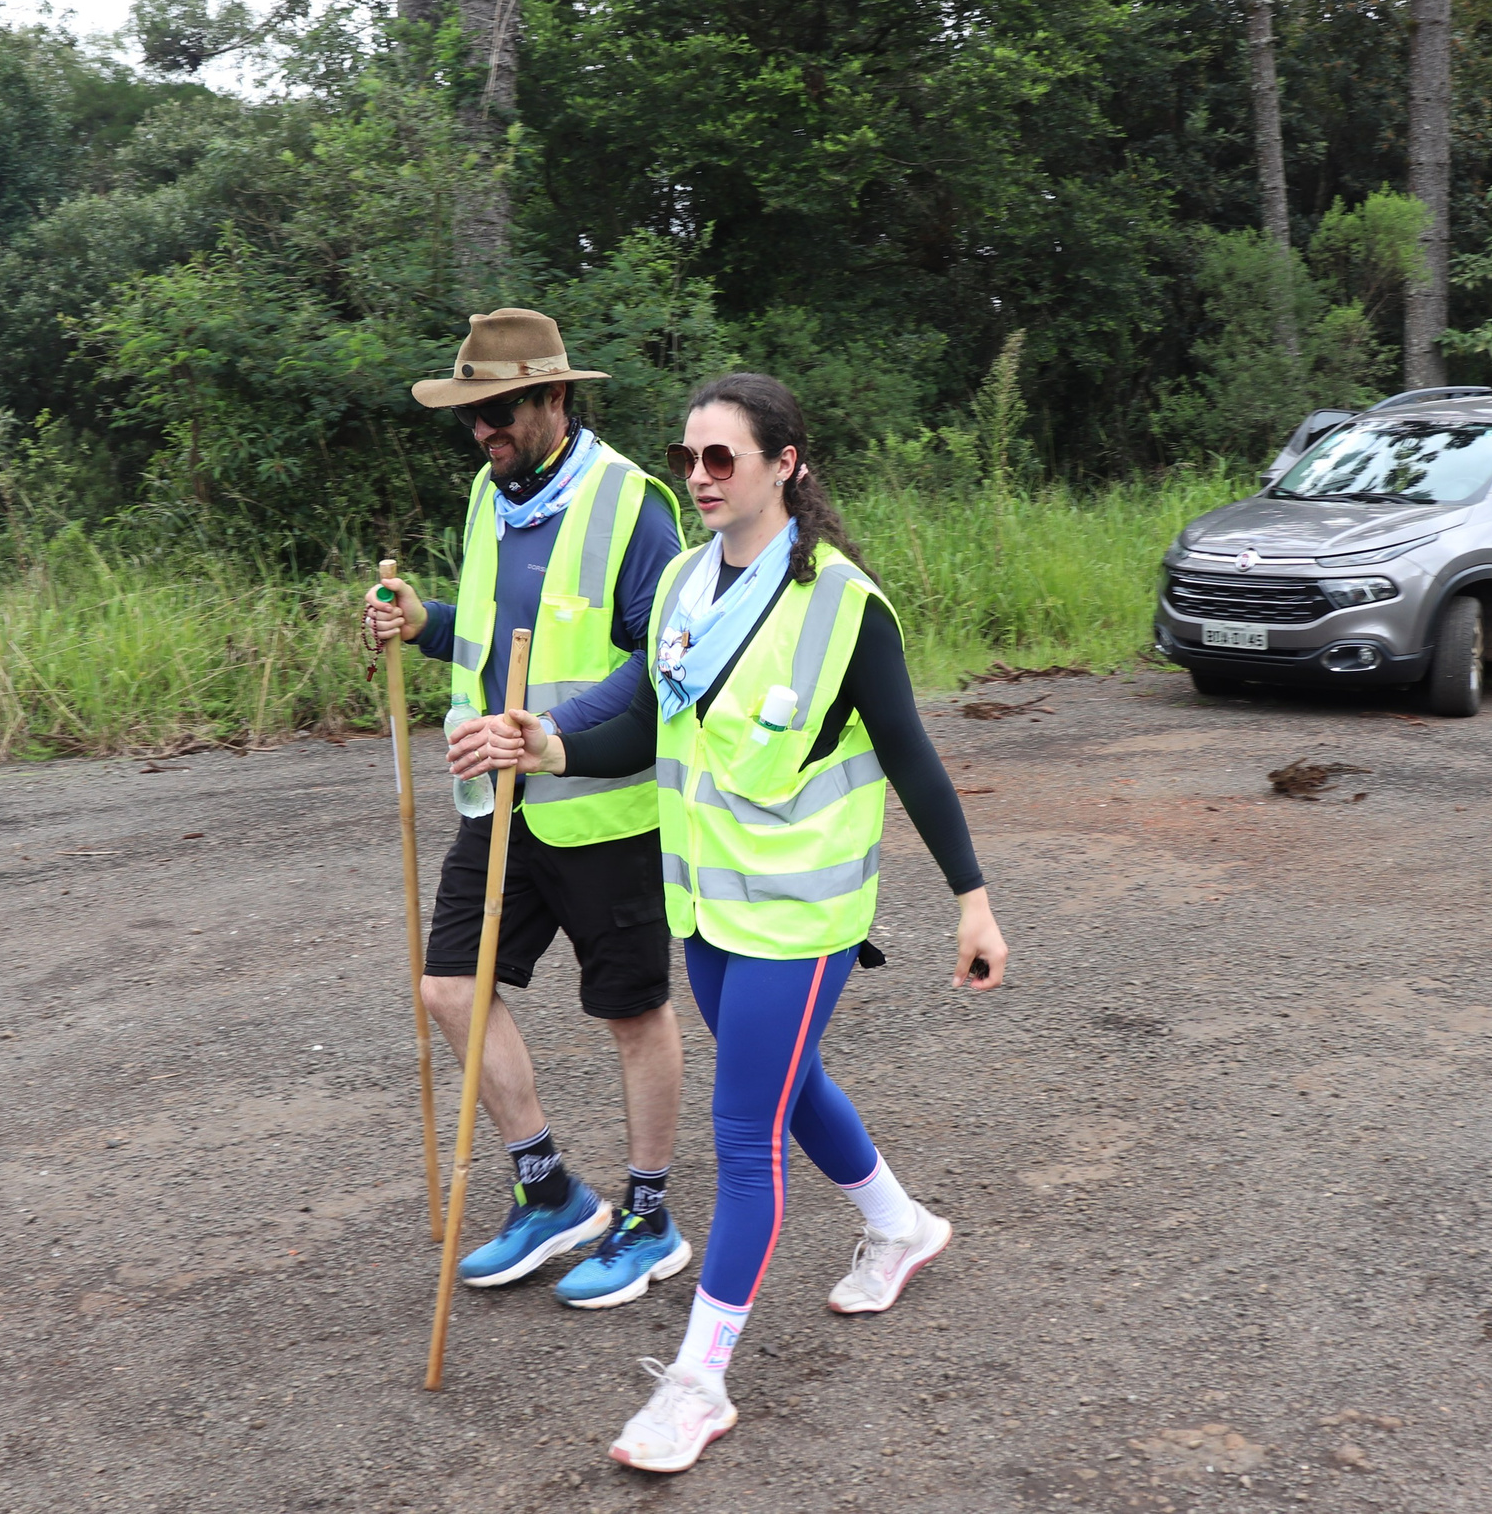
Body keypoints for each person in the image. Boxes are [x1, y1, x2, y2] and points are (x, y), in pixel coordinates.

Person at [454, 372, 1010, 1473]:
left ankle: (698, 1385)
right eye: (689, 458)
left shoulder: (844, 606)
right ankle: (900, 1226)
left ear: (784, 464)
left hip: (801, 914)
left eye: (724, 459)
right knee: (787, 1082)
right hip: (704, 901)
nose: (700, 478)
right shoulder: (684, 589)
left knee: (744, 1134)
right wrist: (546, 743)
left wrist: (972, 899)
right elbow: (635, 723)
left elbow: (911, 756)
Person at [364, 308, 692, 1309]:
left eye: (499, 411)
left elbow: (658, 665)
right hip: (497, 802)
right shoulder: (488, 493)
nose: (482, 432)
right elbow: (506, 633)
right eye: (472, 416)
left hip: (603, 809)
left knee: (630, 1013)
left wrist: (543, 732)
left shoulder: (633, 505)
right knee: (449, 988)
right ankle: (548, 1189)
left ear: (556, 397)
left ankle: (648, 1216)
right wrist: (426, 626)